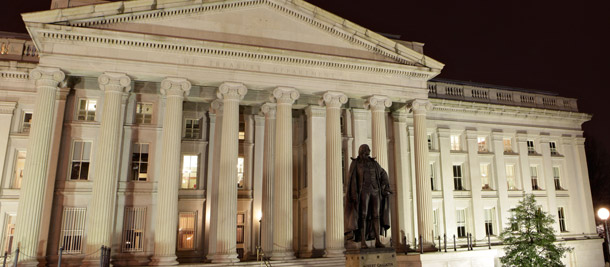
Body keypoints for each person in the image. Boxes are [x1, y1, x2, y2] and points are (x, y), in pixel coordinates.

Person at [344, 144, 392, 248]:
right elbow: (352, 180)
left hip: (375, 191)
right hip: (363, 192)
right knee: (363, 216)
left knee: (376, 215)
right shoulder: (356, 164)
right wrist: (354, 194)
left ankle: (377, 241)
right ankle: (362, 241)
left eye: (368, 152)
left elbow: (383, 173)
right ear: (361, 152)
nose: (367, 153)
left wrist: (385, 186)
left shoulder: (374, 163)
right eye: (365, 152)